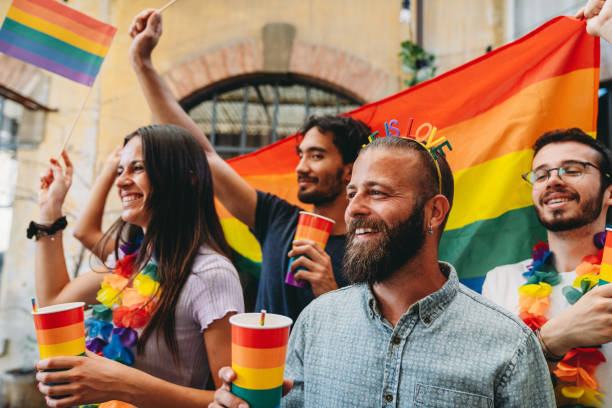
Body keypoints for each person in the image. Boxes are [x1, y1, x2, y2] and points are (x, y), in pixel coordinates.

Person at [211, 136, 556, 407]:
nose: (354, 209)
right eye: (352, 193)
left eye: (376, 192)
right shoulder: (316, 321)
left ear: (434, 212)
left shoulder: (509, 344)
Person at [127, 9, 371, 321]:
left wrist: (328, 288)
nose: (301, 167)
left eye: (317, 156)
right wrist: (142, 64)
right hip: (260, 370)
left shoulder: (369, 247)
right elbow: (204, 155)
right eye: (301, 155)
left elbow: (374, 341)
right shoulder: (277, 220)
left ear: (350, 170)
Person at [33, 125, 244, 407]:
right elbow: (53, 305)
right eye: (120, 170)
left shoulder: (211, 274)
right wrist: (50, 212)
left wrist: (121, 384)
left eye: (138, 168)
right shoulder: (127, 263)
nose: (120, 182)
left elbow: (233, 401)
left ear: (188, 179)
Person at [482, 129, 612, 407]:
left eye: (573, 169)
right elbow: (485, 386)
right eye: (540, 175)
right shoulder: (501, 280)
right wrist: (551, 340)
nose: (553, 180)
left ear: (609, 192)